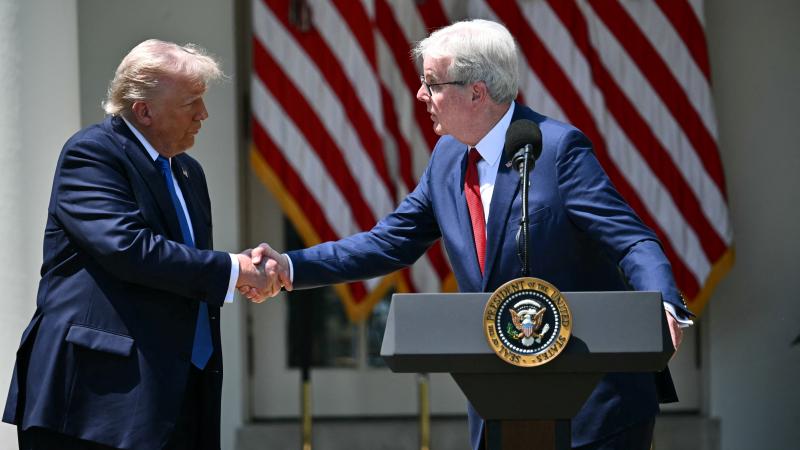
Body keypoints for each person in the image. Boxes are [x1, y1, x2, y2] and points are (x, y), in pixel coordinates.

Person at [246, 19, 692, 450]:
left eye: (432, 84)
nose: (420, 95)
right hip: (502, 406)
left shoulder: (556, 150)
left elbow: (631, 239)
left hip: (595, 406)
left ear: (476, 91)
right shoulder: (446, 157)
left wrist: (665, 305)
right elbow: (388, 242)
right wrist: (289, 266)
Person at [3, 39, 271, 450]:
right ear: (144, 110)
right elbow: (130, 250)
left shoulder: (188, 172)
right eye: (191, 102)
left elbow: (184, 272)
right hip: (95, 405)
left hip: (176, 395)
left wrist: (232, 272)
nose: (204, 114)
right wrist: (233, 271)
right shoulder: (92, 154)